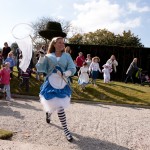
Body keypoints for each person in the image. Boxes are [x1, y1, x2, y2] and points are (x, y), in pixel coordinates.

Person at [37, 21, 76, 142]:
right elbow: (40, 68)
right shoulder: (48, 56)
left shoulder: (67, 56)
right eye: (59, 43)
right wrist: (42, 57)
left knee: (60, 107)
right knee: (53, 105)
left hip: (62, 83)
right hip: (51, 83)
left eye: (63, 43)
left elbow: (73, 68)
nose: (62, 45)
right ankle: (48, 113)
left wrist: (65, 73)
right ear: (54, 44)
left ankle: (65, 130)